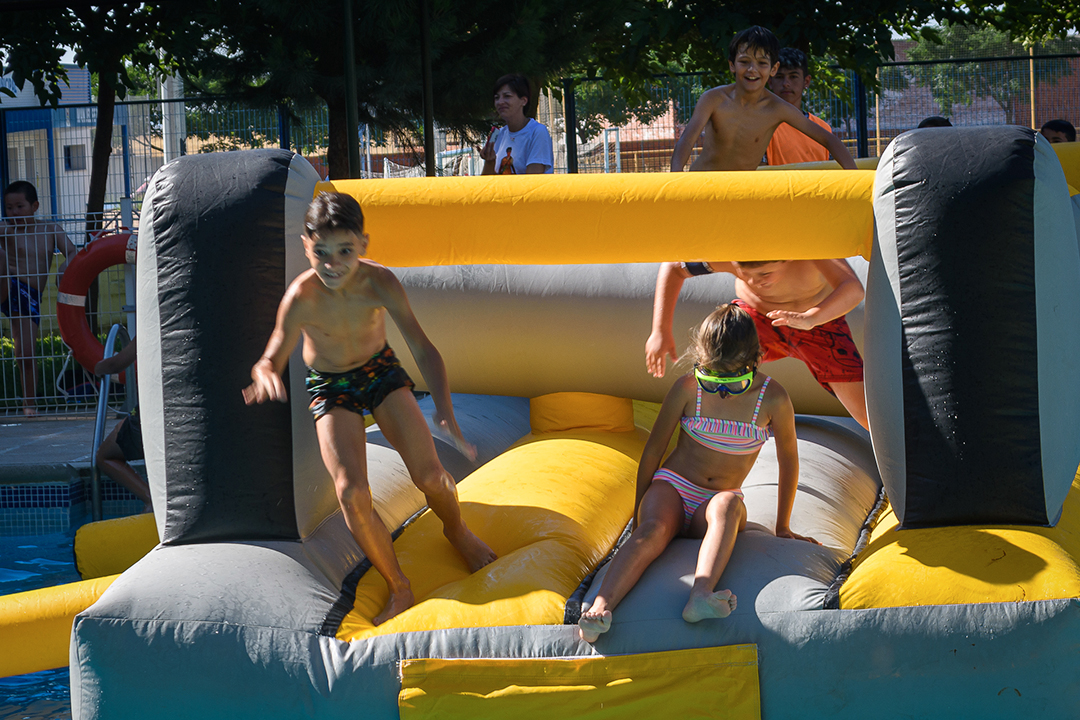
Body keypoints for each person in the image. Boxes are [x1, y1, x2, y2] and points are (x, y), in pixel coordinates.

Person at [243, 192, 496, 625]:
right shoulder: (301, 297)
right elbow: (273, 353)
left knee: (432, 475)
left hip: (380, 374)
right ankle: (399, 586)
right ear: (306, 246)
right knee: (352, 494)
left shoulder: (380, 283)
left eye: (344, 251)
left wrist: (446, 410)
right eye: (320, 252)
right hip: (331, 386)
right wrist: (265, 371)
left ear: (363, 242)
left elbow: (423, 347)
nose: (332, 264)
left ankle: (456, 528)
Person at [579, 304, 818, 642]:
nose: (720, 388)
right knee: (652, 531)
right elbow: (654, 450)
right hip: (674, 486)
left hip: (717, 497)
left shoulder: (772, 398)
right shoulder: (689, 388)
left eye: (732, 382)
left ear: (757, 360)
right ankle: (599, 607)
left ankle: (701, 594)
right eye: (711, 377)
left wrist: (783, 525)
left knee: (729, 507)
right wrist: (639, 511)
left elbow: (789, 459)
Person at [646, 258, 868, 430]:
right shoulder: (732, 255)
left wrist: (810, 318)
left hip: (818, 324)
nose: (755, 282)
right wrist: (660, 330)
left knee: (866, 413)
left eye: (766, 274)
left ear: (787, 257)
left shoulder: (809, 249)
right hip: (759, 318)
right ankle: (709, 430)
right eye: (745, 275)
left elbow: (853, 288)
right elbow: (675, 267)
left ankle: (897, 454)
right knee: (723, 347)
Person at [670, 27, 857, 172]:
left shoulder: (777, 109)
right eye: (744, 62)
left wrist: (855, 177)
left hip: (740, 193)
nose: (752, 70)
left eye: (762, 63)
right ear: (732, 65)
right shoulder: (714, 99)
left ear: (773, 69)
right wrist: (675, 179)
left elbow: (828, 138)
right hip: (704, 183)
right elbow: (687, 140)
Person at [1, 181, 80, 416]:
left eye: (19, 206)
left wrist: (63, 267)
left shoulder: (50, 230)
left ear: (34, 206)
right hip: (7, 284)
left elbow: (74, 251)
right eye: (8, 208)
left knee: (25, 352)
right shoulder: (5, 229)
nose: (13, 213)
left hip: (29, 295)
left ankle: (29, 404)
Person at [94, 338, 152, 512]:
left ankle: (150, 500)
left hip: (155, 415)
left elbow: (114, 366)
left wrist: (97, 368)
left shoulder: (153, 323)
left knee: (105, 456)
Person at [764, 48, 836, 166]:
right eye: (779, 77)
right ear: (770, 82)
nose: (786, 83)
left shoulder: (823, 129)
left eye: (793, 77)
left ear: (806, 82)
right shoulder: (762, 125)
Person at [480, 74, 555, 175]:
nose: (500, 102)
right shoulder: (500, 134)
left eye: (507, 96)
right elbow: (488, 185)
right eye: (497, 98)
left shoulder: (537, 132)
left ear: (523, 101)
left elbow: (533, 183)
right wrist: (489, 162)